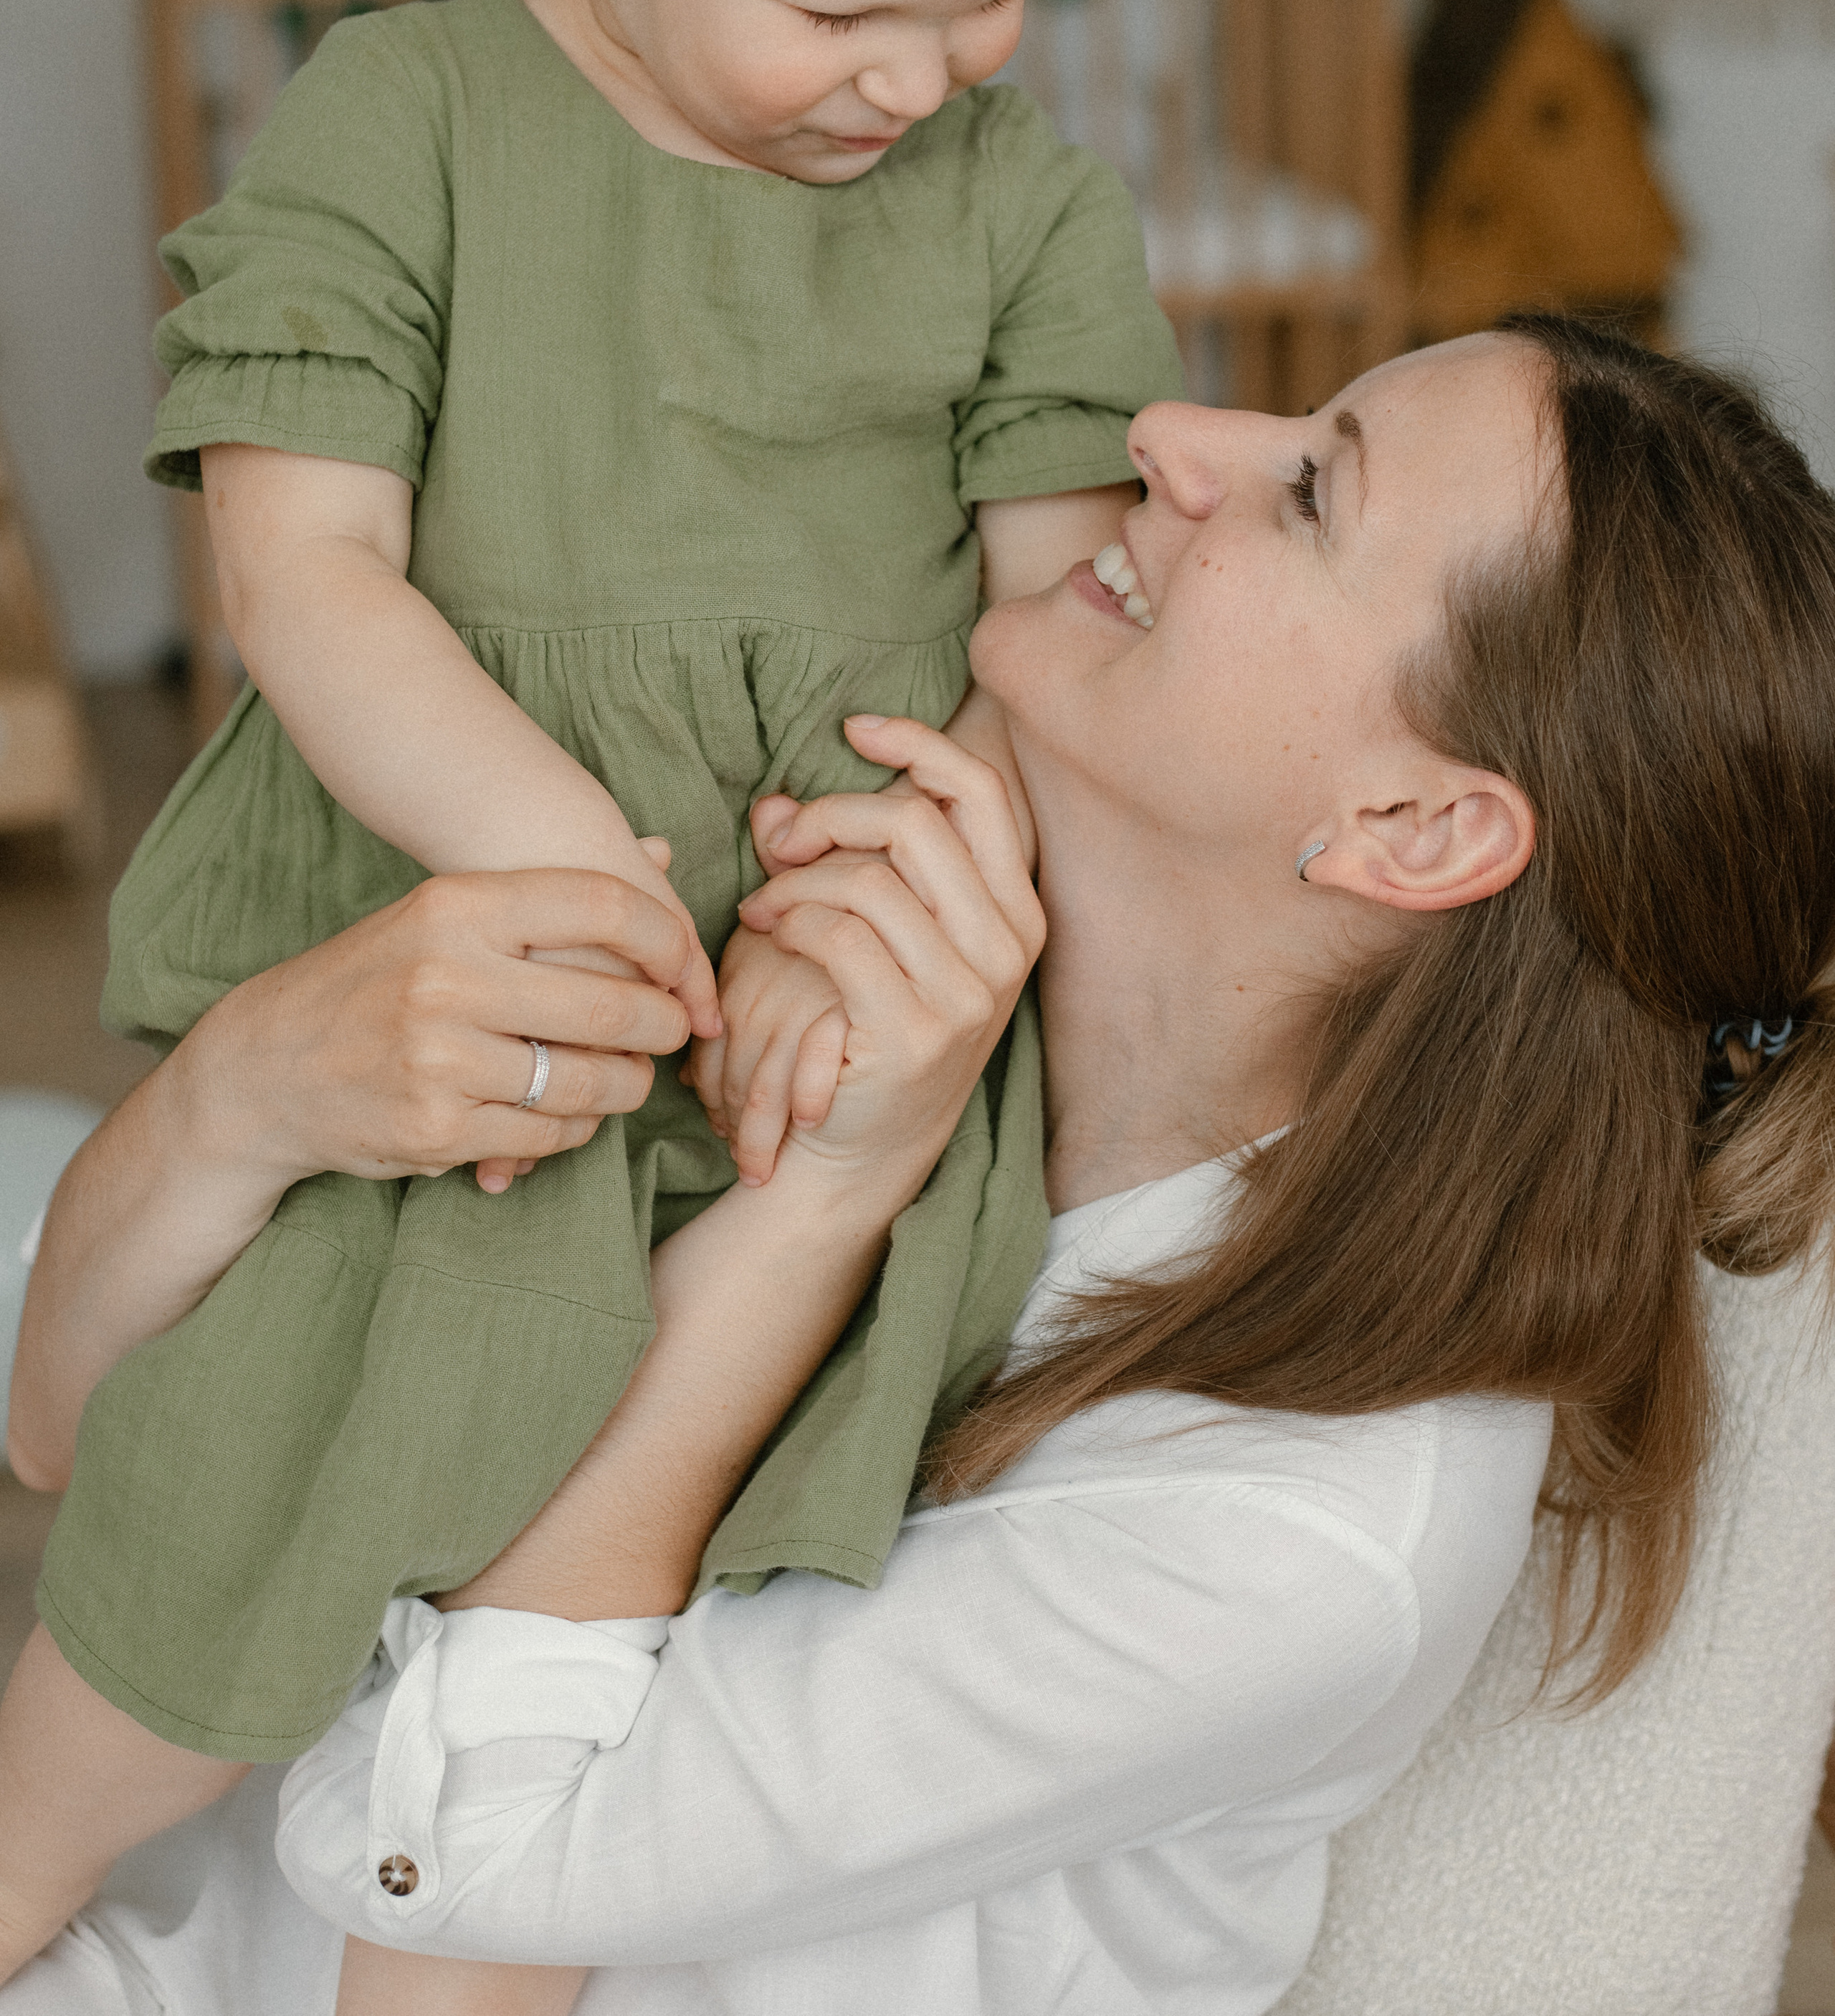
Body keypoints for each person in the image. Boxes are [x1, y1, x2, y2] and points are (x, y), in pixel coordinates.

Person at [0, 0, 1187, 2008]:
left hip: (814, 997)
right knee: (247, 1483)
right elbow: (311, 584)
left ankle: (452, 1957)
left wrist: (876, 908)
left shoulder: (1018, 203)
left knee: (598, 1666)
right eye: (849, 11)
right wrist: (568, 869)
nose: (925, 78)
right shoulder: (402, 115)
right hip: (491, 930)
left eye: (995, 0)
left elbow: (1056, 627)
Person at [8, 320, 1834, 2015]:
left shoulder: (1300, 1532)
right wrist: (241, 1097)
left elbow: (453, 1857)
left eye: (1307, 491)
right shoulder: (844, 900)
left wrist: (807, 1215)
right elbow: (77, 1447)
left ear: (1413, 828)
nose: (1169, 438)